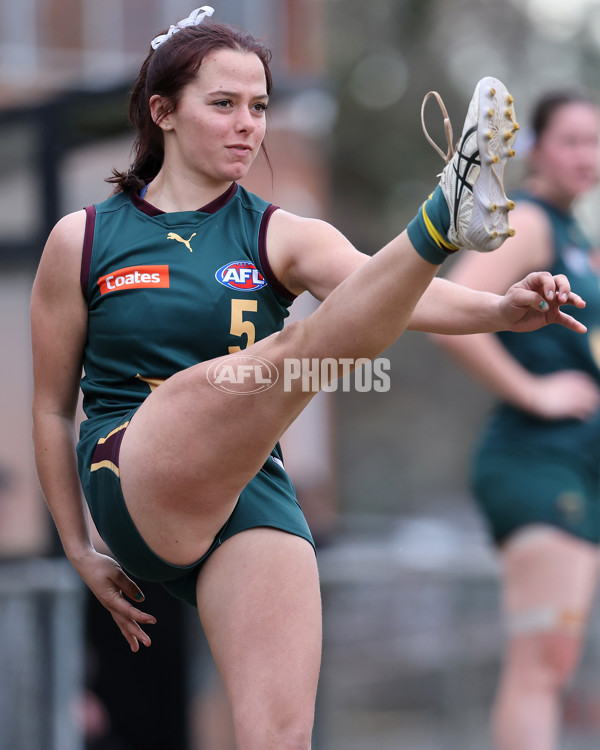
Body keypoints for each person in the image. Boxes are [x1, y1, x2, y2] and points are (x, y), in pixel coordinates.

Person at [31, 7, 585, 749]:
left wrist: (499, 309)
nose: (248, 125)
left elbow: (389, 293)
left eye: (259, 107)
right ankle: (443, 214)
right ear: (162, 112)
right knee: (274, 361)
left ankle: (446, 218)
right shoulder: (84, 238)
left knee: (281, 739)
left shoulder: (279, 231)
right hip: (136, 465)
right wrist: (77, 548)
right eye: (223, 104)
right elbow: (48, 409)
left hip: (251, 482)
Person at [432, 90, 600, 750]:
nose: (586, 156)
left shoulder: (574, 233)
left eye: (596, 142)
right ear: (536, 148)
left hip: (575, 467)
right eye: (571, 141)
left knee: (555, 667)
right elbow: (452, 318)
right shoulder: (529, 222)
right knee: (542, 666)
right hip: (535, 463)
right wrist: (534, 392)